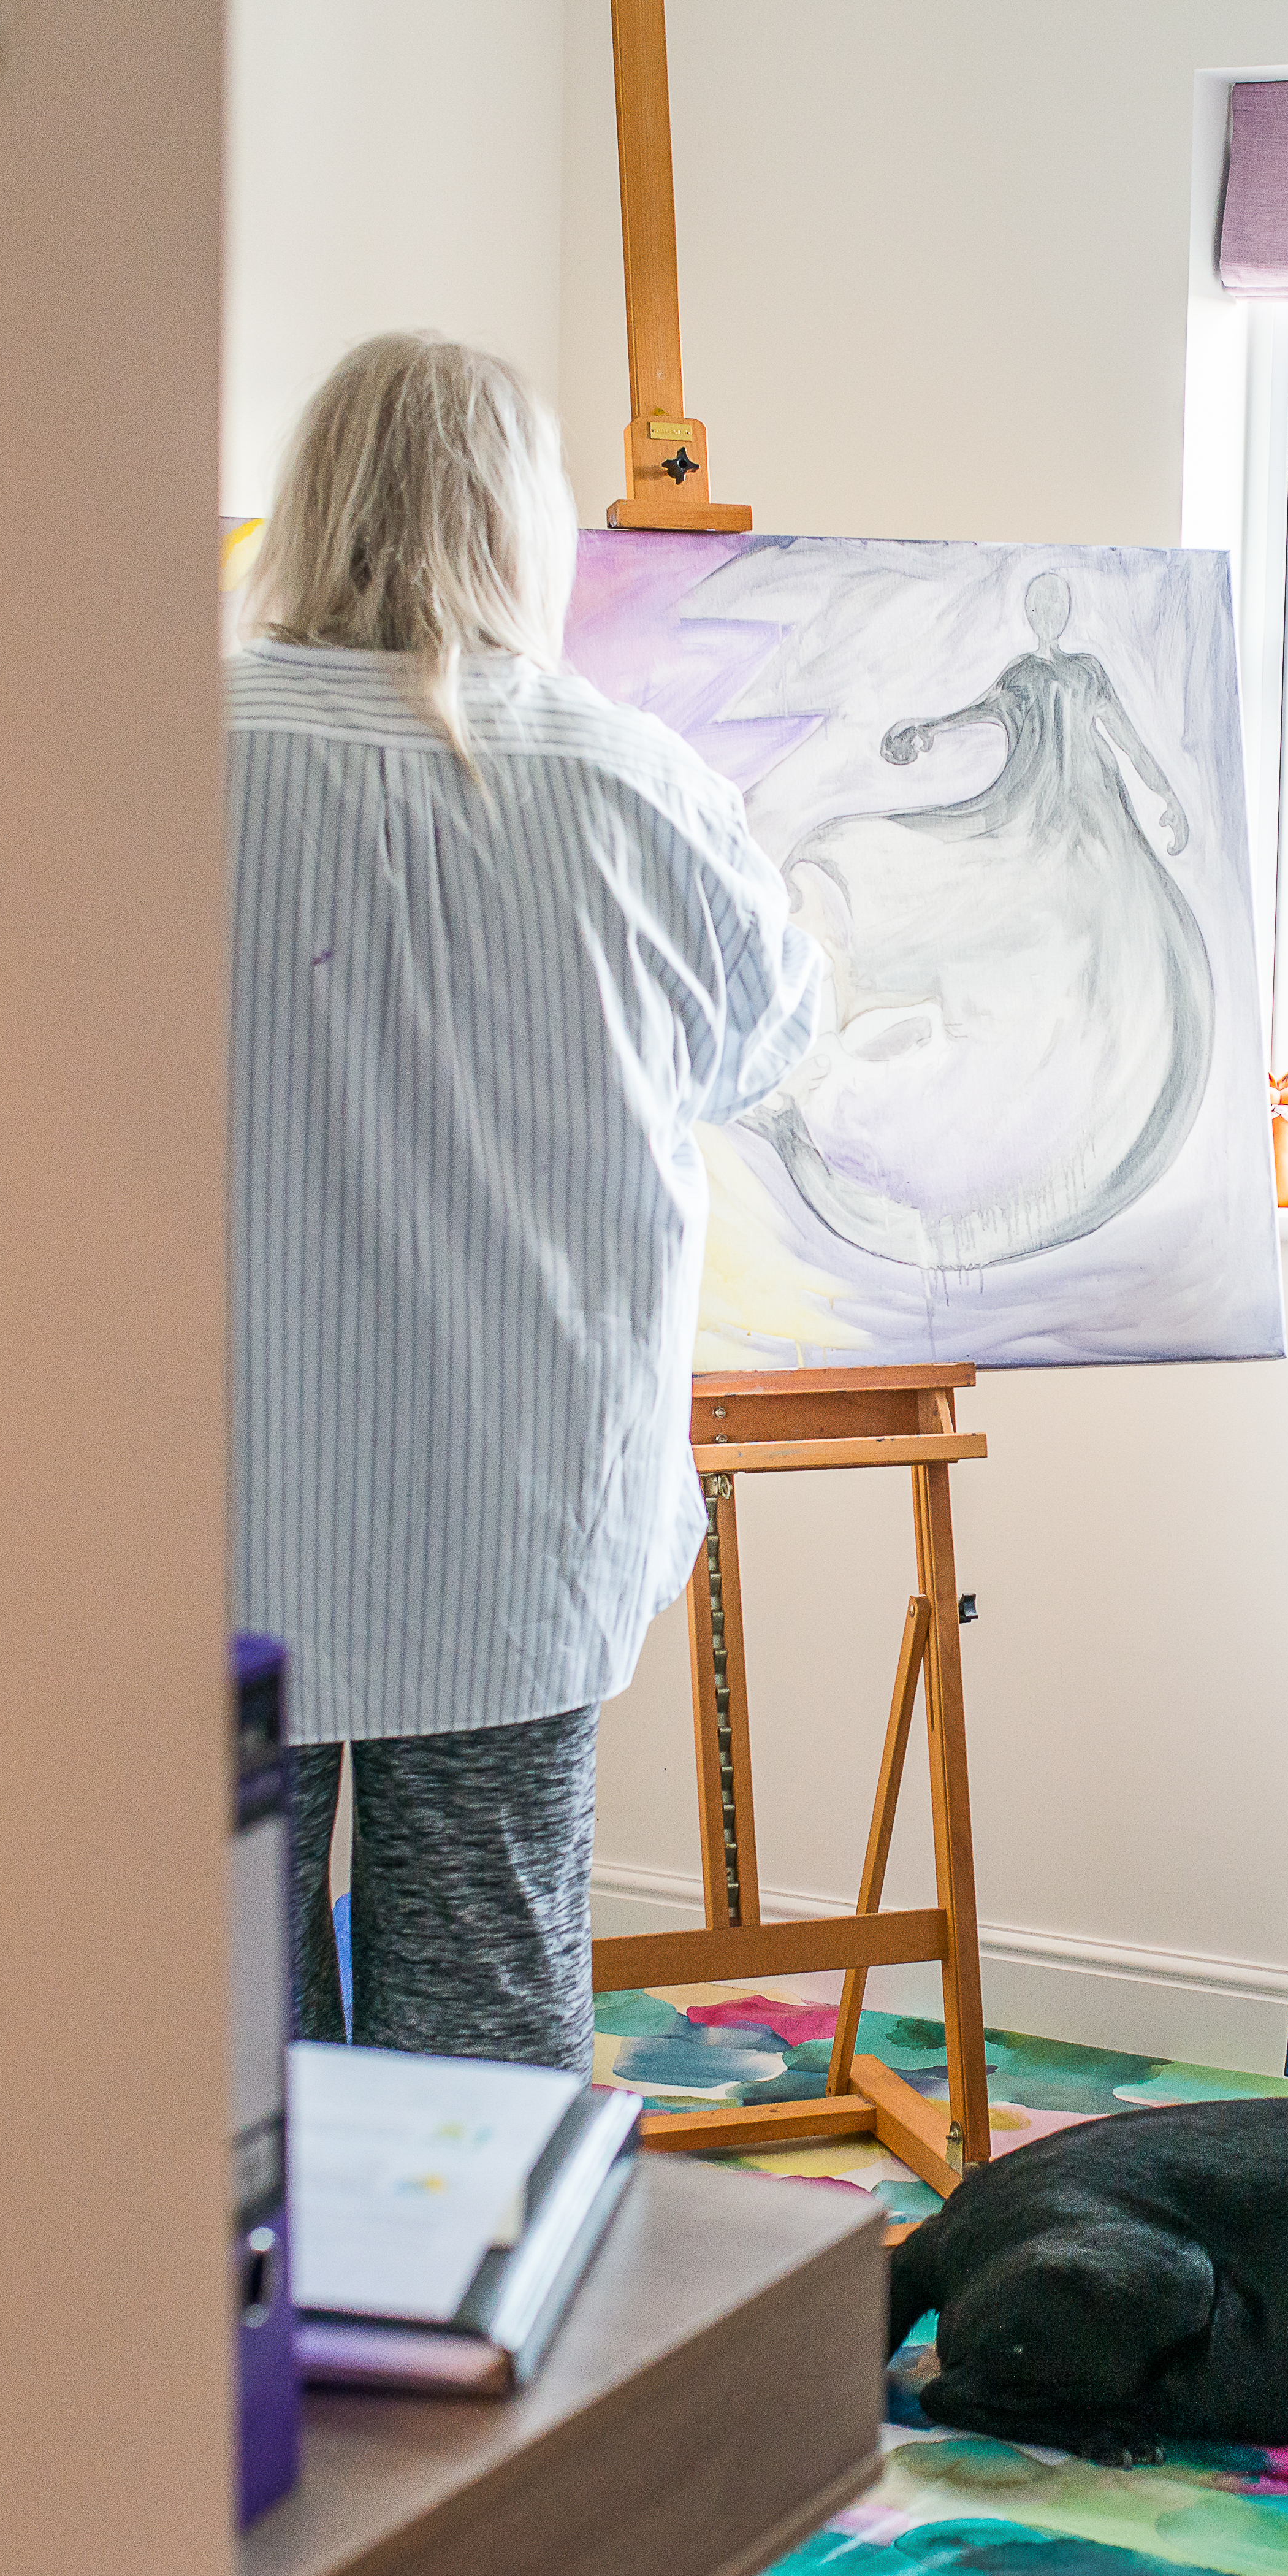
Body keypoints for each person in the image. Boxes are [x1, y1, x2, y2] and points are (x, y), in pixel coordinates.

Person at [231, 334, 823, 2071]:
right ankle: (474, 2333)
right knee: (481, 2005)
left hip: (202, 1495)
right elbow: (763, 1043)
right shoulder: (630, 783)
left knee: (210, 2041)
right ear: (524, 527)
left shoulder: (153, 746)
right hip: (506, 1513)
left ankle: (222, 2347)